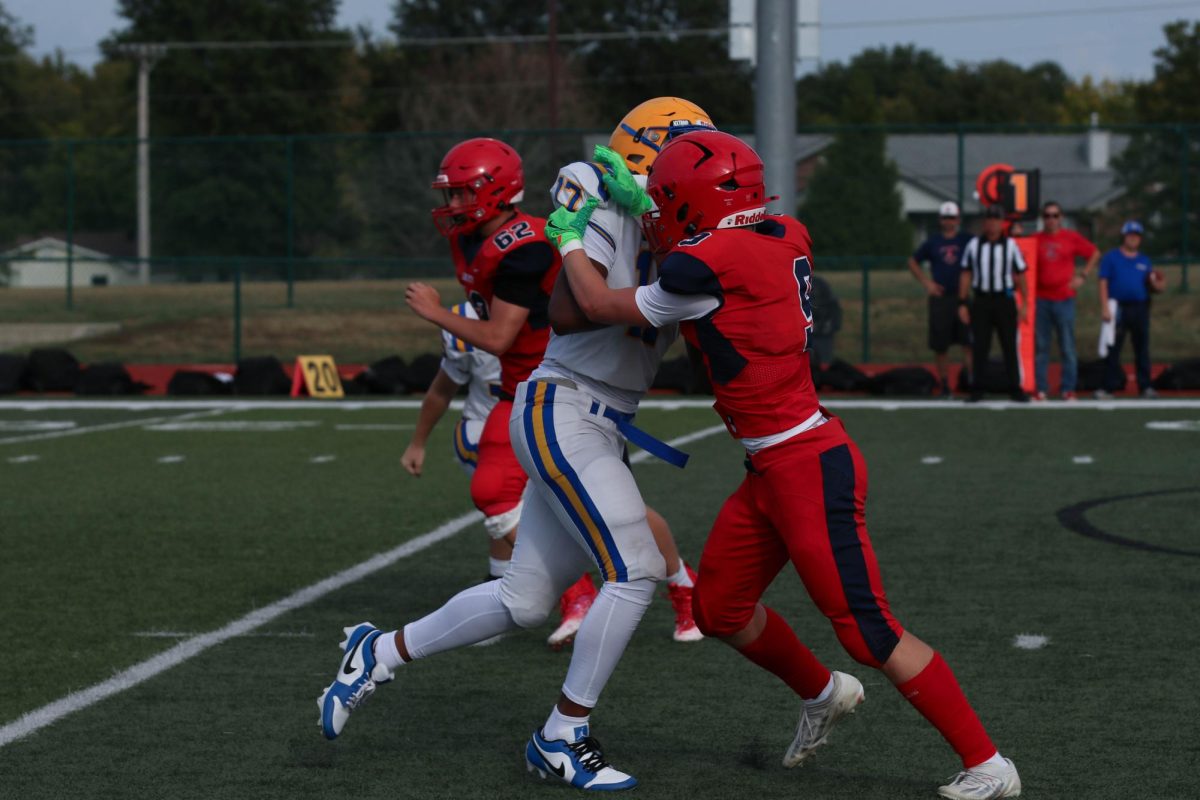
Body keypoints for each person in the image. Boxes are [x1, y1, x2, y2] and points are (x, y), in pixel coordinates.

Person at [551, 131, 1021, 800]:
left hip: (805, 464)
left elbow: (597, 306)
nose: (654, 210)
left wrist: (570, 237)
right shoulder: (783, 232)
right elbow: (698, 255)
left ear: (695, 203)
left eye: (662, 199)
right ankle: (823, 694)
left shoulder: (704, 263)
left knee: (867, 628)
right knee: (719, 608)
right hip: (773, 465)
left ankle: (988, 763)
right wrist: (651, 212)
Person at [316, 103, 709, 791]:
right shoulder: (594, 188)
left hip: (595, 415)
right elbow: (565, 307)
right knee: (634, 569)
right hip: (566, 406)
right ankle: (563, 734)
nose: (700, 180)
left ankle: (376, 651)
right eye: (693, 158)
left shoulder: (670, 228)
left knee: (525, 600)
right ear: (655, 154)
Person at [400, 301, 509, 579]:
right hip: (484, 427)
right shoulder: (466, 320)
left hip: (542, 424)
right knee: (506, 489)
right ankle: (502, 576)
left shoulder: (554, 311)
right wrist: (417, 442)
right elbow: (441, 390)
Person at [958, 206, 1030, 403]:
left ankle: (1015, 387)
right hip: (981, 300)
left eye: (996, 220)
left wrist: (1025, 303)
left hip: (1004, 300)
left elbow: (1021, 274)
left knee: (1009, 345)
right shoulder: (974, 245)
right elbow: (965, 274)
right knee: (980, 346)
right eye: (989, 220)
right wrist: (962, 303)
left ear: (1002, 223)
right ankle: (977, 388)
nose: (992, 224)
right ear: (984, 223)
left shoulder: (1011, 245)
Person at [1031, 200, 1099, 401]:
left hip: (1064, 299)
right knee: (1041, 347)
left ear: (1061, 218)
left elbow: (1094, 253)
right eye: (1047, 216)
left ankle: (1068, 388)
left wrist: (1083, 275)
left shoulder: (1070, 237)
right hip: (1041, 300)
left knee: (1067, 346)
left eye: (1054, 215)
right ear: (1042, 219)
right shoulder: (1035, 239)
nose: (1051, 220)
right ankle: (1040, 388)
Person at [907, 201, 972, 396]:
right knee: (940, 344)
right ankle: (945, 383)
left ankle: (968, 380)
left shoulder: (966, 240)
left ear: (958, 219)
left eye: (952, 217)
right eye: (946, 217)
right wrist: (927, 284)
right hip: (941, 298)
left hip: (961, 298)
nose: (949, 221)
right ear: (940, 220)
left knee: (968, 342)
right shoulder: (933, 242)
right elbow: (913, 262)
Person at [1096, 220, 1164, 399]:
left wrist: (1157, 285)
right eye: (1130, 235)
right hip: (1117, 306)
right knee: (1113, 347)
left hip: (1139, 307)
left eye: (1136, 236)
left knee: (1142, 347)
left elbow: (1152, 286)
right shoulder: (1111, 257)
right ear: (1124, 237)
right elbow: (1103, 282)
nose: (1133, 239)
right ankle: (1108, 386)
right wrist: (1104, 306)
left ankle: (1145, 386)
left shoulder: (1144, 260)